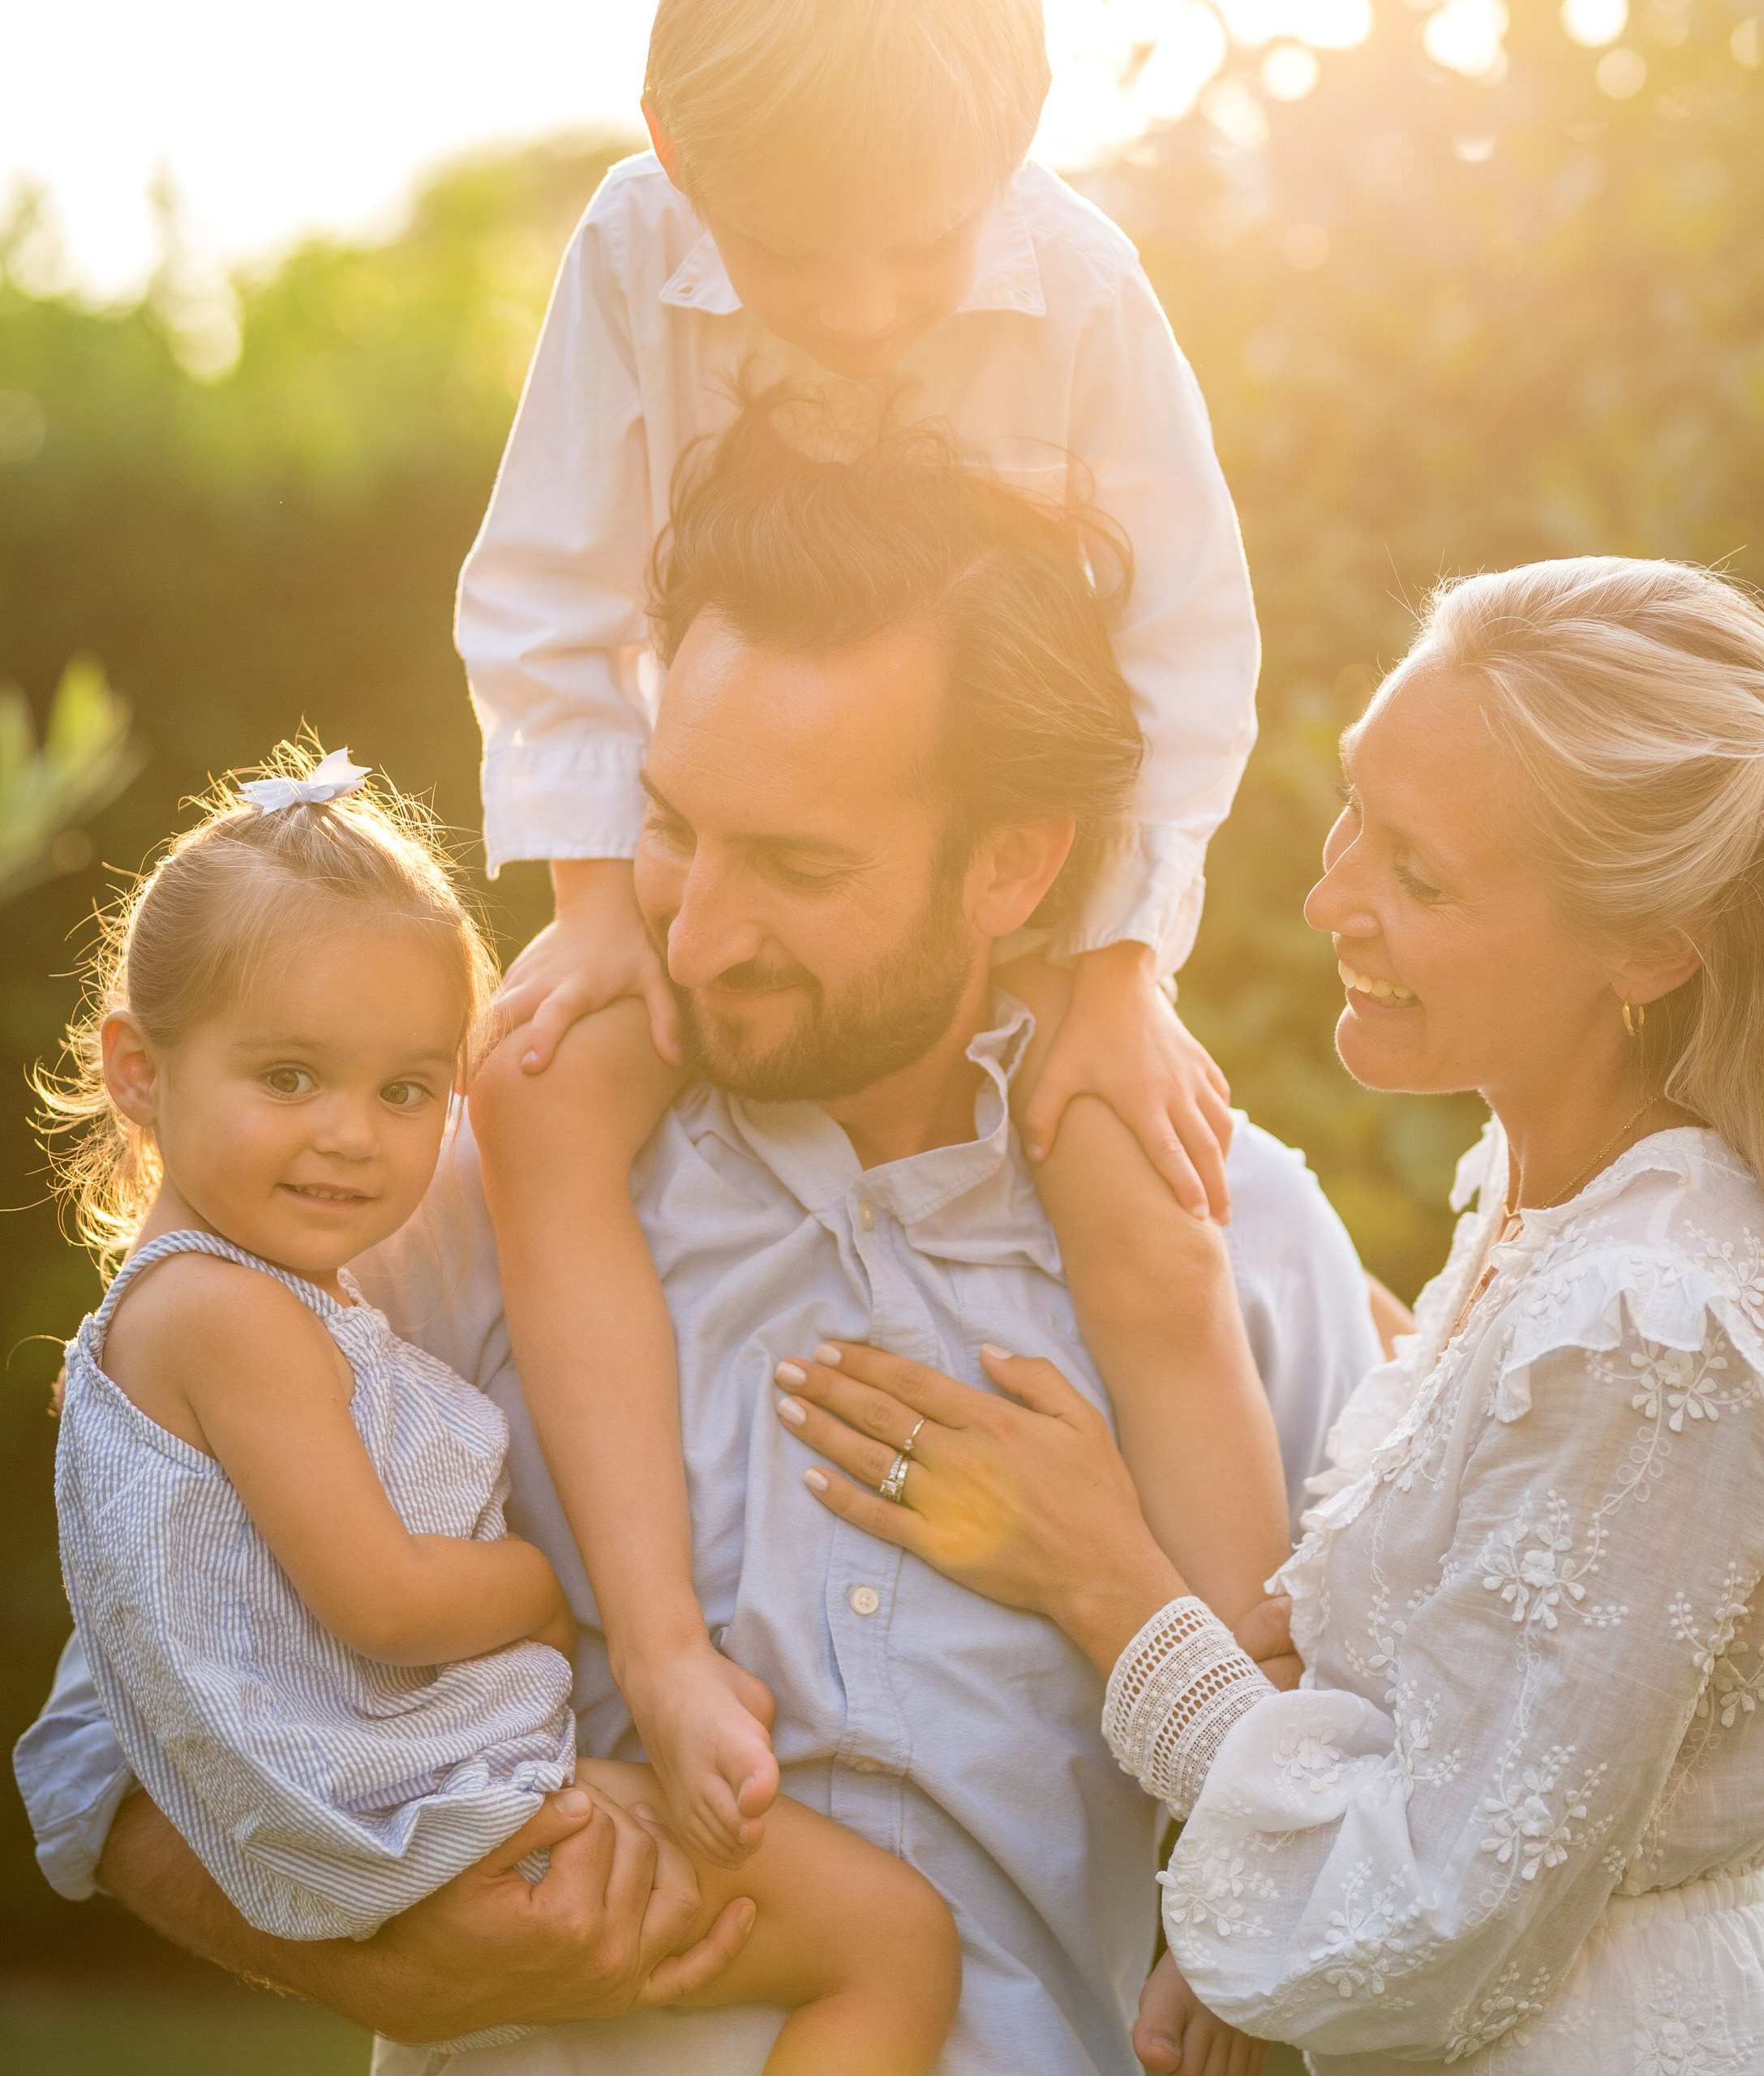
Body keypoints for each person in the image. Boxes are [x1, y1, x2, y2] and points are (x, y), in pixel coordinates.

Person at [16, 441, 1381, 2074]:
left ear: (1009, 862)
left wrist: (1116, 1589)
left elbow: (1423, 1782)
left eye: (796, 865)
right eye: (671, 826)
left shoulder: (1220, 1230)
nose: (698, 927)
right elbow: (108, 1736)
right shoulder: (430, 1198)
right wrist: (389, 1957)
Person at [767, 557, 1764, 2074]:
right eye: (1353, 818)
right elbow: (1464, 1690)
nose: (1330, 898)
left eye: (1423, 876)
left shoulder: (1654, 1329)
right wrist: (1242, 1921)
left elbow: (1431, 1918)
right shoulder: (1550, 1207)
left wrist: (1106, 1583)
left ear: (1651, 948)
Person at [464, 0, 1268, 1877]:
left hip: (990, 857)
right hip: (724, 832)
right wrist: (596, 903)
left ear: (1022, 130)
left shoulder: (1077, 283)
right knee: (542, 1099)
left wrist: (1114, 975)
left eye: (917, 250)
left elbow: (1187, 646)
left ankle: (1246, 1797)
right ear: (671, 141)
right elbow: (546, 594)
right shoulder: (625, 250)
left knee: (1134, 1191)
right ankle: (656, 1636)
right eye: (793, 258)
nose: (860, 304)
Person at [26, 742, 961, 2075]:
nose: (354, 1133)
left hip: (404, 1812)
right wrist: (535, 1591)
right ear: (135, 1070)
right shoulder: (234, 1317)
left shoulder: (214, 1308)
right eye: (290, 1077)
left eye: (406, 1090)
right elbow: (385, 1601)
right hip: (433, 1820)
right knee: (894, 1945)